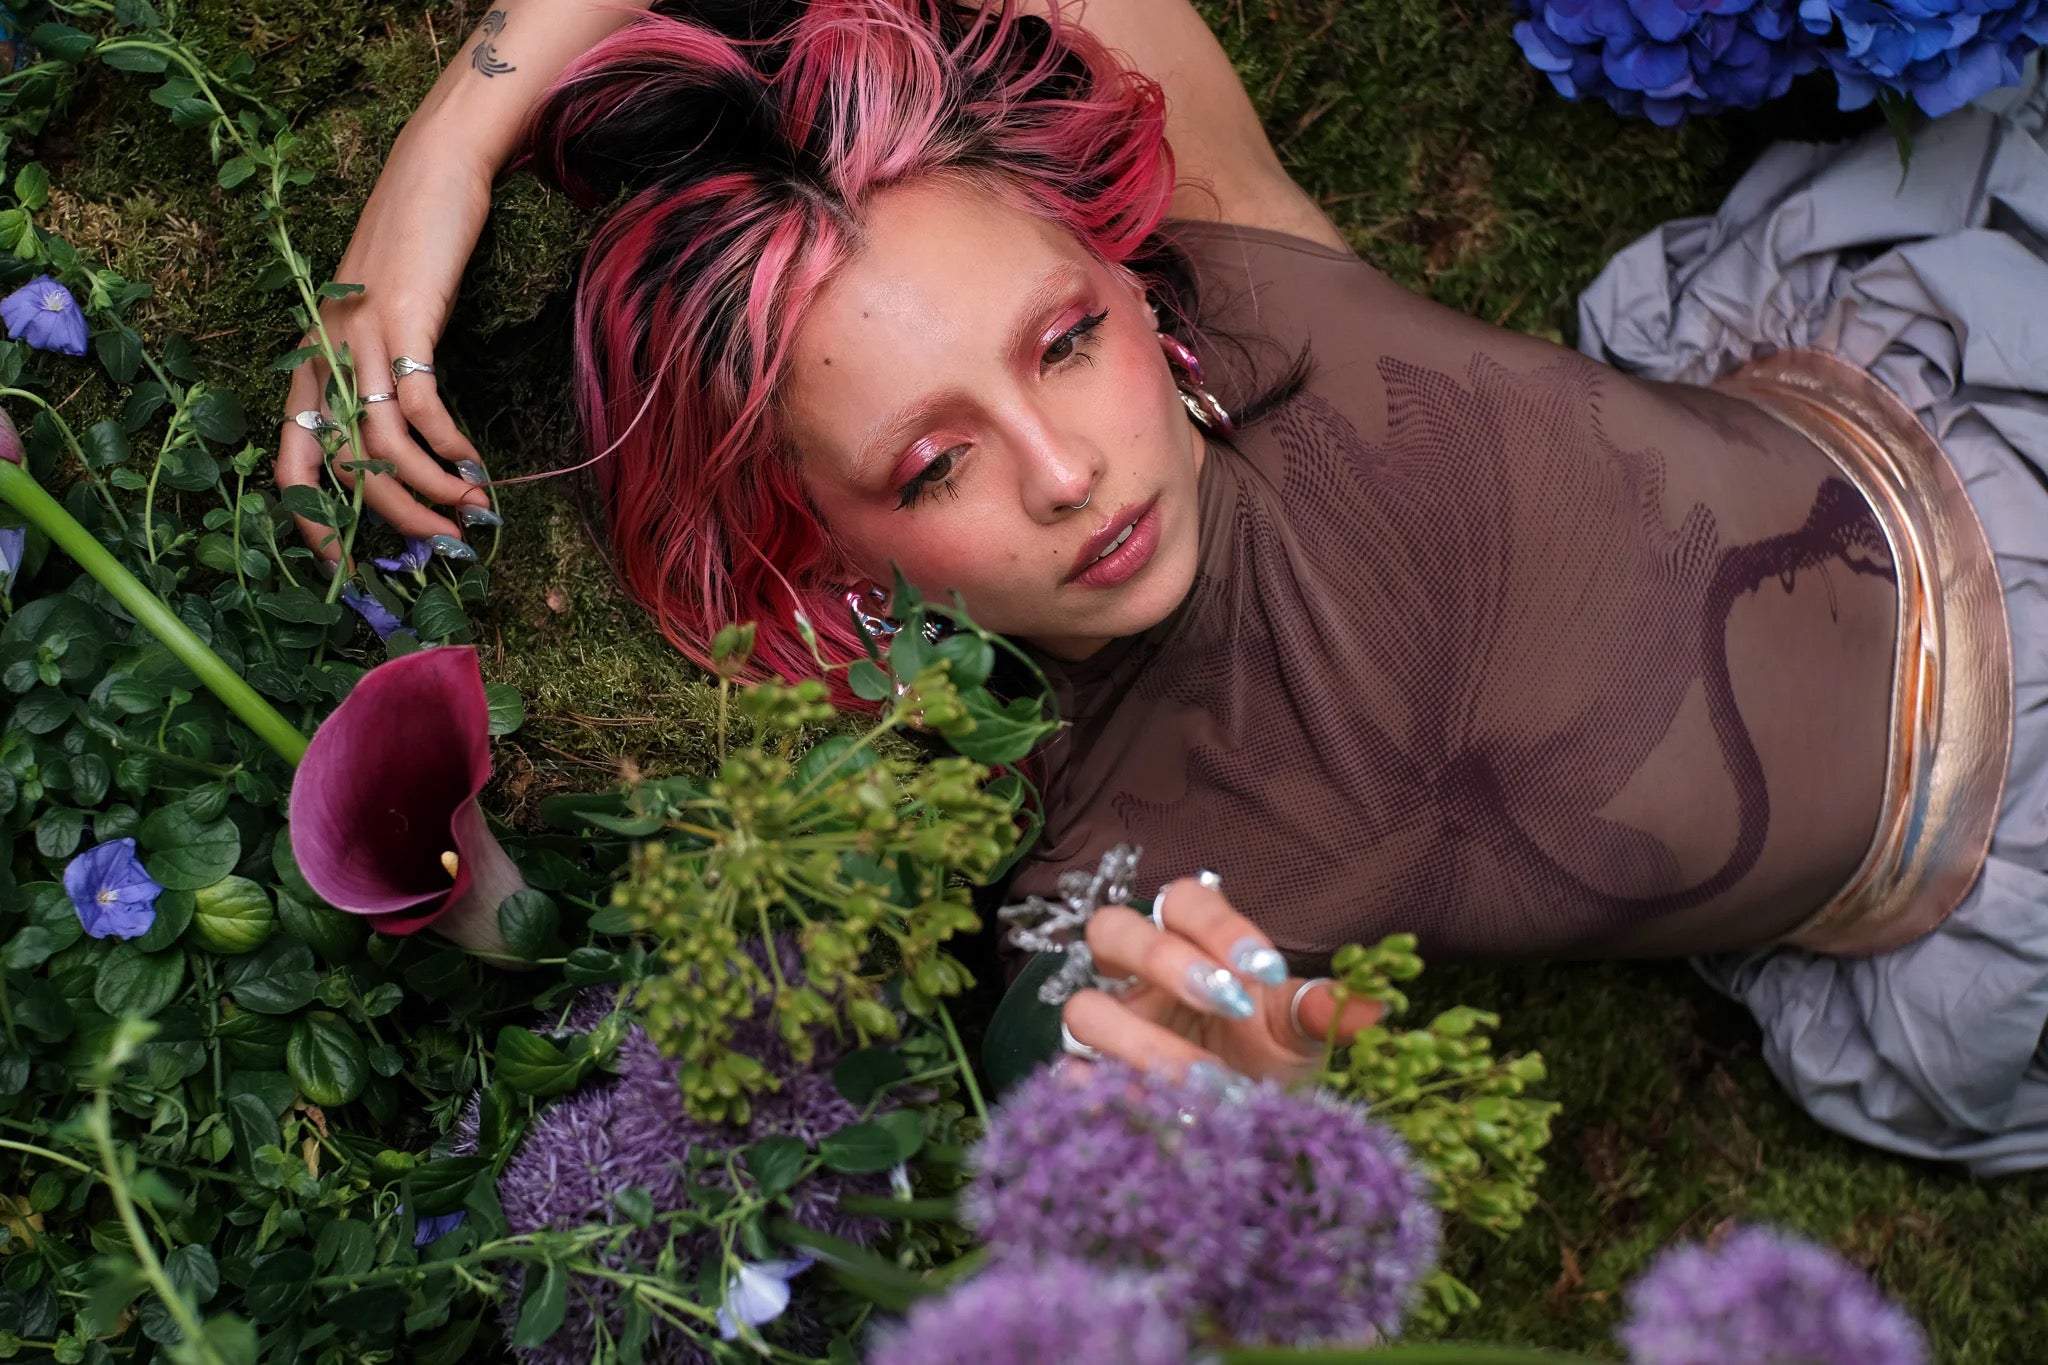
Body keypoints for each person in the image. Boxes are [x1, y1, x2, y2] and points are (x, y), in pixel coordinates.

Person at [278, 0, 2048, 1172]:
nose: (1068, 471)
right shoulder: (1111, 882)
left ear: (1122, 277)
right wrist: (1246, 1111)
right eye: (932, 463)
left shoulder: (1233, 246)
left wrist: (448, 156)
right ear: (821, 552)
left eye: (1062, 342)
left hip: (1947, 374)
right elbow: (1083, 1151)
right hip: (1978, 868)